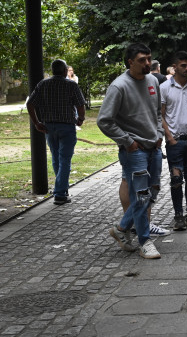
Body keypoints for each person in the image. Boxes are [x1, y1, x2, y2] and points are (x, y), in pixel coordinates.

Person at [98, 42, 164, 259]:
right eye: (142, 60)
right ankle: (145, 241)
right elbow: (104, 121)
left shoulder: (153, 80)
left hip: (153, 147)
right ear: (130, 62)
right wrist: (127, 141)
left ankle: (120, 228)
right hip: (134, 150)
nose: (148, 63)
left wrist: (159, 134)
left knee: (151, 192)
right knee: (142, 196)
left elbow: (157, 112)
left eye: (149, 58)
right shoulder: (119, 86)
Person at [27, 59, 85, 205]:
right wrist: (81, 119)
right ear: (65, 71)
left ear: (52, 70)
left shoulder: (43, 84)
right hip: (66, 127)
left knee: (56, 158)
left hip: (49, 127)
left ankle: (62, 188)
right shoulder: (71, 85)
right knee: (65, 159)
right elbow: (80, 105)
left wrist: (36, 122)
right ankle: (59, 193)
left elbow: (30, 103)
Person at [160, 51, 187, 231]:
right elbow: (160, 115)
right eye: (183, 65)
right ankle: (178, 215)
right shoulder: (165, 88)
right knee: (176, 179)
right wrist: (169, 138)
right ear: (175, 67)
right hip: (175, 142)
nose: (186, 68)